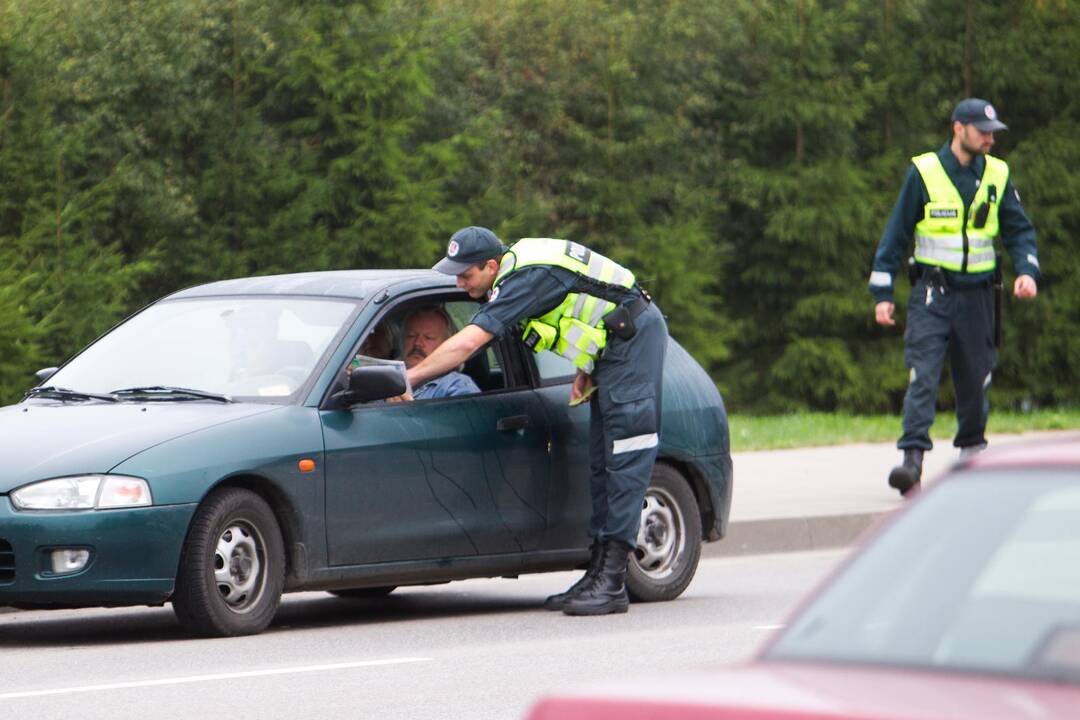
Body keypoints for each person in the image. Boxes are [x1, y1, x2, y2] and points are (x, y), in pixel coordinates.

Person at [407, 226, 667, 616]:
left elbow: (468, 343)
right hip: (614, 349)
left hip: (632, 344)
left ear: (491, 266)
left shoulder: (525, 278)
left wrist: (408, 378)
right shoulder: (519, 268)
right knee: (601, 466)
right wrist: (589, 364)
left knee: (623, 463)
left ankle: (612, 582)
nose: (460, 283)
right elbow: (589, 306)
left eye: (467, 274)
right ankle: (597, 572)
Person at [869, 98, 1040, 496]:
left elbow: (1019, 230)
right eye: (982, 132)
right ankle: (912, 462)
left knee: (975, 379)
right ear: (958, 128)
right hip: (933, 293)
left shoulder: (997, 175)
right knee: (922, 376)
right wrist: (882, 292)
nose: (989, 140)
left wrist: (1027, 271)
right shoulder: (924, 172)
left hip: (979, 297)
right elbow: (895, 235)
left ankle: (971, 455)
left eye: (992, 133)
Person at [402, 306, 480, 400]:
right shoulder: (388, 379)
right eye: (411, 336)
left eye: (428, 337)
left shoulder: (456, 385)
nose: (417, 343)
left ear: (446, 345)